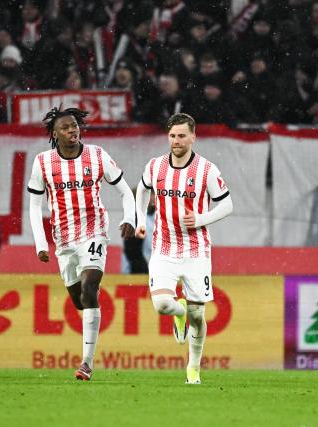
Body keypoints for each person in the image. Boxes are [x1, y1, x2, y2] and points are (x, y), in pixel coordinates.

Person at [27, 107, 136, 381]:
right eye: (65, 128)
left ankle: (86, 363)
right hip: (63, 239)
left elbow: (125, 190)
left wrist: (130, 217)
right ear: (54, 134)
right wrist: (41, 244)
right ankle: (91, 312)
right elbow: (34, 205)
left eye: (74, 126)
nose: (72, 131)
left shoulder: (97, 155)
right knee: (80, 301)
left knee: (89, 287)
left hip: (94, 231)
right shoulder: (42, 162)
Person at [134, 113, 233, 384]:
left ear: (193, 137)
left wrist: (201, 219)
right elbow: (142, 190)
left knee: (198, 314)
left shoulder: (206, 170)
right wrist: (140, 220)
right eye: (172, 136)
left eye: (181, 136)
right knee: (163, 305)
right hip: (164, 247)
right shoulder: (155, 166)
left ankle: (193, 369)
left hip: (196, 251)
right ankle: (179, 314)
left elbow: (227, 205)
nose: (176, 141)